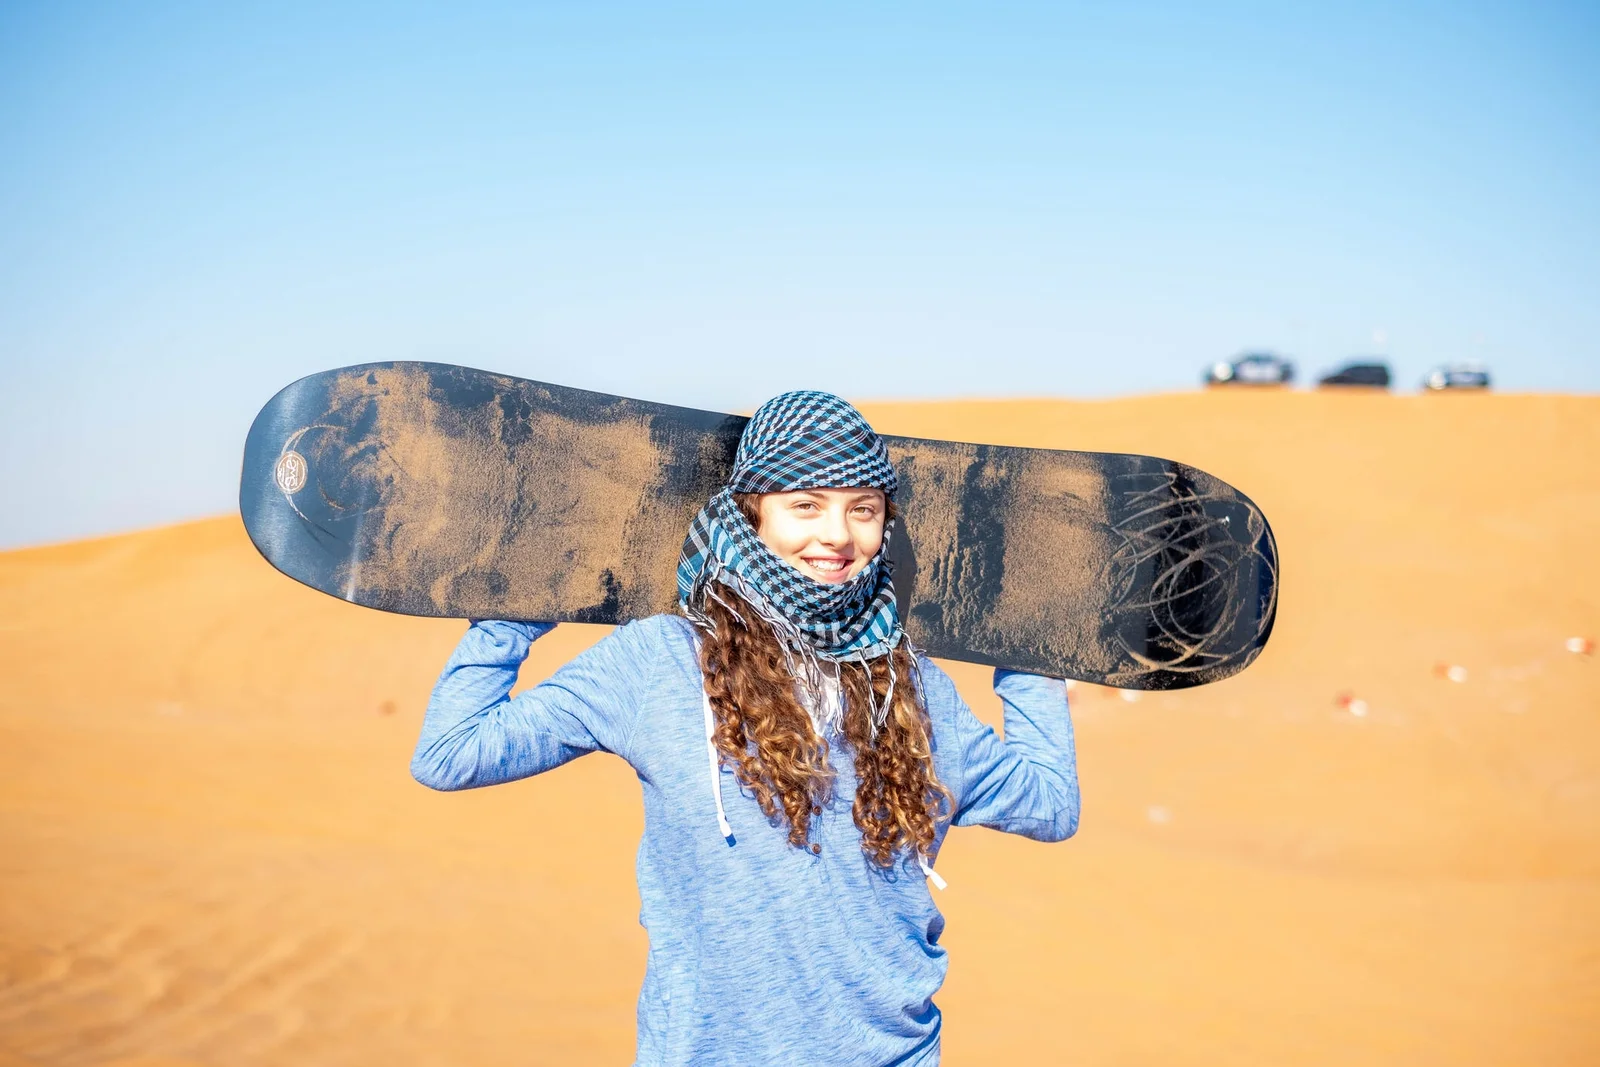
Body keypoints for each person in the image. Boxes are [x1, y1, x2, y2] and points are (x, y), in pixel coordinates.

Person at [412, 390, 1081, 1066]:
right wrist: (516, 604)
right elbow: (452, 751)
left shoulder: (914, 688)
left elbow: (1049, 803)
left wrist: (1030, 646)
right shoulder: (662, 661)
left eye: (864, 509)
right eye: (806, 505)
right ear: (751, 512)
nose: (839, 535)